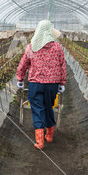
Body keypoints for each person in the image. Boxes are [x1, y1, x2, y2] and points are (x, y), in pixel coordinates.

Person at [16, 20, 66, 150]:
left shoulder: (32, 46)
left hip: (35, 84)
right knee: (49, 106)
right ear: (50, 31)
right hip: (52, 84)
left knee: (37, 109)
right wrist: (62, 82)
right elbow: (62, 66)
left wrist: (20, 79)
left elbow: (23, 64)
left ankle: (39, 141)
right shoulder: (57, 47)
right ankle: (49, 135)